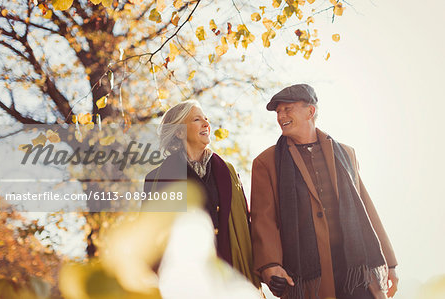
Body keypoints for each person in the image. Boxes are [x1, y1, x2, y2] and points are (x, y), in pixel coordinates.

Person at [250, 84, 399, 299]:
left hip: (357, 271)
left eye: (287, 109)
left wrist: (390, 263)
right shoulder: (266, 162)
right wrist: (270, 264)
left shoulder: (347, 153)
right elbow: (264, 219)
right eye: (278, 112)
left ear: (310, 111)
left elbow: (366, 208)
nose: (280, 116)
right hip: (308, 277)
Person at [144, 100, 260, 288]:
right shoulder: (156, 180)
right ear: (179, 132)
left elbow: (245, 225)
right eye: (197, 119)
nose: (207, 124)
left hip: (231, 277)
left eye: (206, 119)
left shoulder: (228, 172)